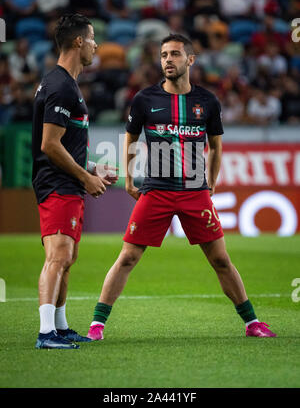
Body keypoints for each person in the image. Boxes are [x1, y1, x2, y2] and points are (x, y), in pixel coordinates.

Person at [87, 33, 276, 340]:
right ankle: (97, 326)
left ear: (190, 60)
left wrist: (212, 180)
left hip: (194, 191)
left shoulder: (207, 102)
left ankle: (252, 323)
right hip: (157, 190)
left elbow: (215, 145)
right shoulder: (145, 99)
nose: (168, 60)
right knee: (127, 257)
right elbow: (131, 139)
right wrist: (131, 178)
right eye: (163, 55)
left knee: (221, 259)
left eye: (174, 54)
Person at [32, 13, 118, 349]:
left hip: (66, 181)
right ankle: (45, 333)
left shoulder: (67, 85)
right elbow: (49, 145)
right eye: (93, 37)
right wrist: (84, 177)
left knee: (68, 257)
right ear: (79, 41)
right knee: (57, 256)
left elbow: (64, 145)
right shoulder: (60, 86)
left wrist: (91, 168)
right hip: (57, 183)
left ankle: (60, 326)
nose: (96, 45)